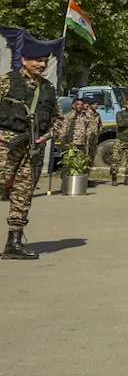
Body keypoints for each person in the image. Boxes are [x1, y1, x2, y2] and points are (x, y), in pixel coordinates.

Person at [0, 42, 64, 259]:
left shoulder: (48, 88)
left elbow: (59, 121)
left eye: (45, 61)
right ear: (24, 60)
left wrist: (46, 136)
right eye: (37, 60)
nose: (42, 64)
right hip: (5, 148)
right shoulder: (6, 82)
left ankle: (14, 243)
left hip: (33, 150)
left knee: (22, 195)